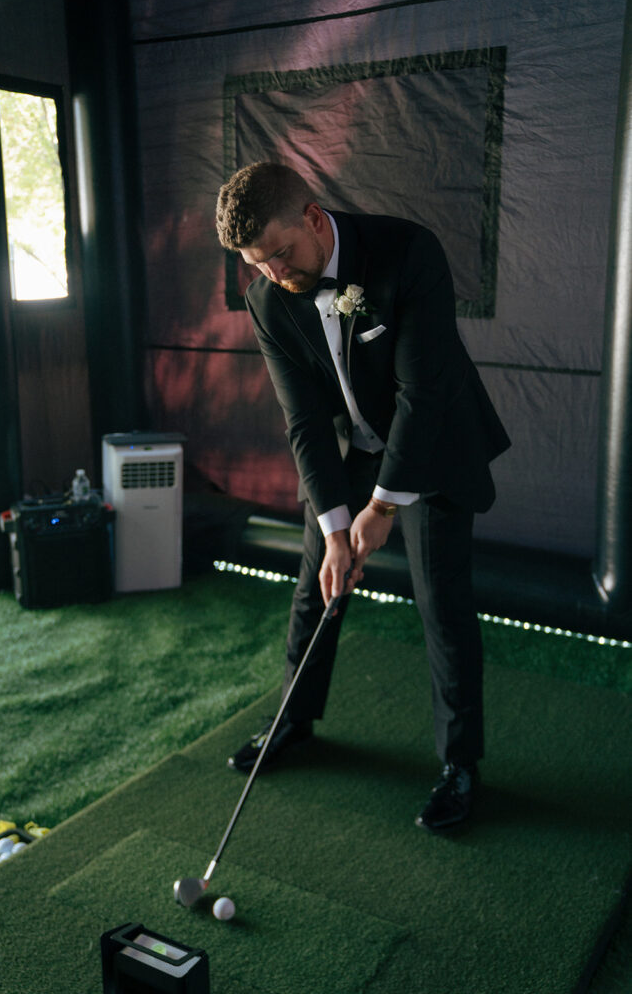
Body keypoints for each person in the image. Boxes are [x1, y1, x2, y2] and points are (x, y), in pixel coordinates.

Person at [215, 162, 510, 831]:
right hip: (354, 446)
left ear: (313, 219)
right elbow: (304, 422)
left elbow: (423, 394)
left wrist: (381, 509)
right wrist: (336, 527)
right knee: (315, 584)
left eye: (280, 254)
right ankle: (293, 723)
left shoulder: (408, 251)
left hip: (432, 440)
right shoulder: (267, 297)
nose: (272, 273)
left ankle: (459, 764)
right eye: (255, 263)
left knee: (442, 603)